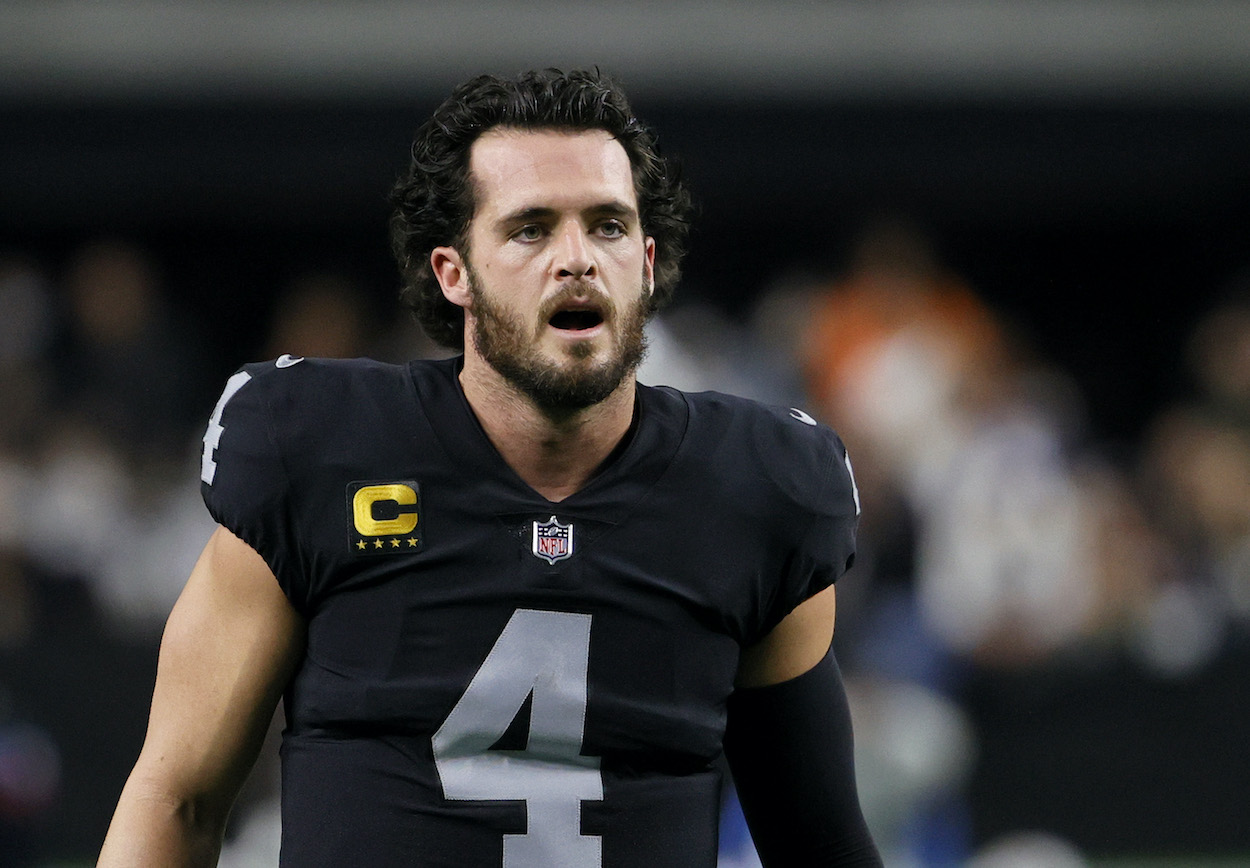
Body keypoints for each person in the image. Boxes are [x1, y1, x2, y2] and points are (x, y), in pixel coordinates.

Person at [98, 68, 881, 867]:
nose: (576, 259)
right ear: (454, 273)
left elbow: (817, 844)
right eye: (530, 228)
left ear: (647, 264)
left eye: (607, 226)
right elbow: (178, 800)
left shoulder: (754, 493)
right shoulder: (318, 454)